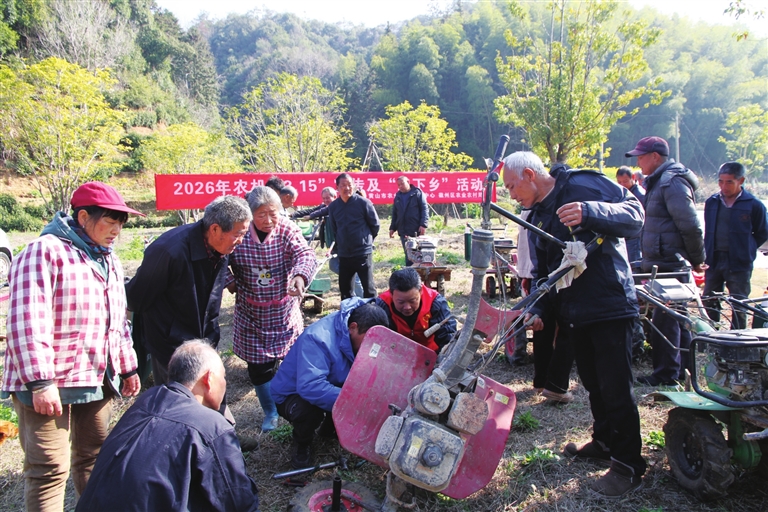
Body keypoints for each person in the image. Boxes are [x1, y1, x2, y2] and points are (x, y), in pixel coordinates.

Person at [502, 151, 646, 498]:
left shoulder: (583, 184)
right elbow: (545, 272)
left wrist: (591, 212)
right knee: (594, 384)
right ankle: (604, 443)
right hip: (575, 311)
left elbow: (635, 215)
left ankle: (628, 466)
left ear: (529, 175)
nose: (511, 195)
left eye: (512, 186)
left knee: (616, 388)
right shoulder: (537, 216)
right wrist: (537, 308)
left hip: (609, 303)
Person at [1, 181, 142, 512]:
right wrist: (40, 382)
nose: (117, 231)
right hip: (49, 382)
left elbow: (117, 319)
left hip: (95, 377)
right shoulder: (43, 251)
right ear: (83, 217)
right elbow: (27, 320)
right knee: (49, 468)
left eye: (121, 223)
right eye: (111, 221)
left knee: (94, 458)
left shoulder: (108, 258)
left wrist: (128, 366)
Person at [75, 340, 260, 512]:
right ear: (209, 379)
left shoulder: (146, 401)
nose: (224, 383)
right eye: (223, 377)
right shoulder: (211, 426)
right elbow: (240, 502)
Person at [126, 196, 251, 385]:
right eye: (238, 234)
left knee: (210, 395)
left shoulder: (221, 246)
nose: (241, 241)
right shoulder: (169, 251)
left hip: (204, 341)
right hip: (171, 347)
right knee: (179, 398)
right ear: (215, 229)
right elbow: (137, 298)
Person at [227, 186, 317, 432]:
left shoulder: (287, 229)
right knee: (259, 368)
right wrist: (229, 280)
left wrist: (299, 276)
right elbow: (219, 254)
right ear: (250, 214)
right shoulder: (239, 230)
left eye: (273, 213)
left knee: (291, 361)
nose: (268, 220)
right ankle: (270, 411)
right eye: (261, 214)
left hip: (283, 310)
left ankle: (292, 402)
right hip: (250, 312)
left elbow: (305, 254)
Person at [625, 136, 705, 387]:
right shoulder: (659, 181)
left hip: (670, 262)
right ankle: (680, 370)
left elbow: (690, 225)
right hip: (662, 259)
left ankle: (666, 374)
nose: (638, 162)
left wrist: (697, 260)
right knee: (676, 319)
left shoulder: (671, 182)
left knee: (667, 321)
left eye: (641, 157)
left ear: (655, 157)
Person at [271, 299, 389, 468]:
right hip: (292, 394)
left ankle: (329, 429)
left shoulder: (357, 327)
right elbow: (310, 386)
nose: (370, 346)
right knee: (309, 411)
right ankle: (302, 443)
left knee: (360, 388)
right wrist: (355, 400)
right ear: (353, 327)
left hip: (331, 380)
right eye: (367, 341)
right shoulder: (317, 338)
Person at [509, 209, 574, 404]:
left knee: (542, 324)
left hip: (537, 273)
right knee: (550, 325)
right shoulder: (542, 213)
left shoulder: (532, 212)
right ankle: (550, 384)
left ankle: (543, 381)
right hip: (547, 274)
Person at [702, 162, 768, 328]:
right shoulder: (712, 202)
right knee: (709, 301)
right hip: (714, 260)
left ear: (741, 181)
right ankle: (712, 337)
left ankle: (737, 339)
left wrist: (747, 247)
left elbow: (762, 232)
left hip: (739, 262)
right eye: (721, 181)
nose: (724, 186)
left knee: (739, 304)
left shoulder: (753, 205)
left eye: (729, 182)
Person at [375, 268, 456, 353]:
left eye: (412, 301)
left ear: (420, 291)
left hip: (431, 354)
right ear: (391, 294)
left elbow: (448, 339)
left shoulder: (435, 302)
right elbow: (377, 339)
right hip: (395, 353)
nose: (407, 307)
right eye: (401, 302)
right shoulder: (383, 305)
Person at [328, 172, 380, 299]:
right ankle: (349, 311)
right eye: (343, 185)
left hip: (362, 252)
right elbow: (335, 229)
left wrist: (365, 240)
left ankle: (372, 310)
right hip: (344, 254)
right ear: (337, 188)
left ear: (354, 185)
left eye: (349, 185)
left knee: (368, 288)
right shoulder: (334, 206)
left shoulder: (364, 203)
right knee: (345, 290)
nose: (347, 188)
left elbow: (375, 225)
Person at [389, 175, 429, 266]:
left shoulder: (417, 193)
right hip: (403, 229)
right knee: (408, 254)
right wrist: (392, 228)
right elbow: (395, 213)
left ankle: (419, 272)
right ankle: (409, 272)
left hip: (416, 229)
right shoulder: (398, 196)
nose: (400, 186)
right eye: (398, 185)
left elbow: (424, 209)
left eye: (402, 184)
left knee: (418, 253)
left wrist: (423, 224)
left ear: (408, 182)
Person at [615, 165, 645, 265]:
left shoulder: (640, 195)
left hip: (636, 237)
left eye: (625, 181)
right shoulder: (623, 193)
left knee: (634, 265)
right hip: (627, 236)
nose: (622, 185)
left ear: (633, 177)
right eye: (619, 182)